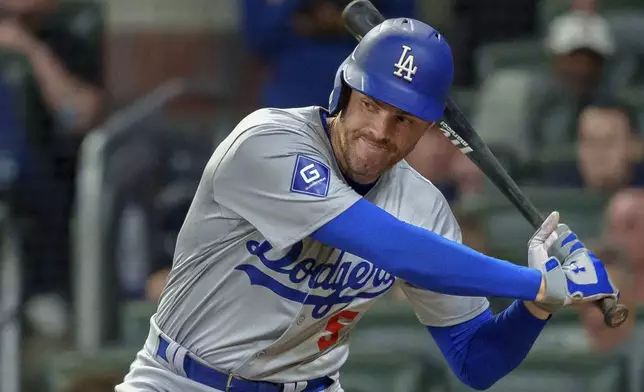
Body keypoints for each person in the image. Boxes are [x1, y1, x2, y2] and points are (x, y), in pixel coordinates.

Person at [116, 18, 620, 392]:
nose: (378, 133)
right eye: (371, 105)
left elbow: (477, 363)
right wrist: (534, 280)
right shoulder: (266, 143)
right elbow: (390, 247)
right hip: (181, 379)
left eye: (402, 119)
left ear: (429, 128)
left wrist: (537, 306)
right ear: (343, 92)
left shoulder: (422, 207)